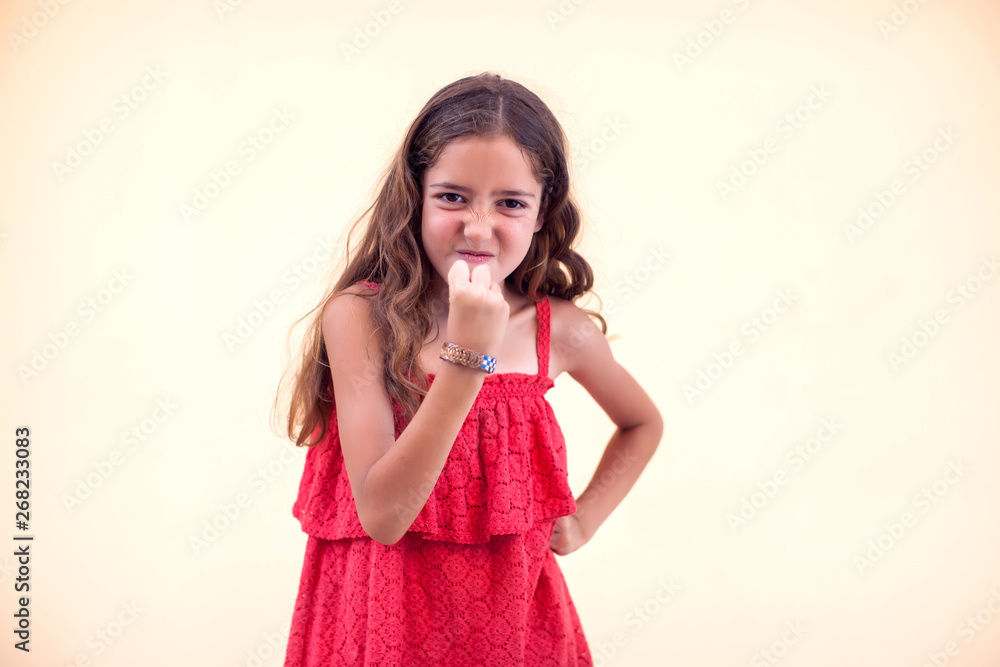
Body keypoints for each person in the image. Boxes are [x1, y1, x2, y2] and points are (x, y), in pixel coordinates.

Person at [274, 71, 663, 666]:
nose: (478, 227)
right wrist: (467, 360)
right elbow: (383, 516)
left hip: (512, 633)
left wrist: (584, 520)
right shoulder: (362, 319)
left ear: (542, 213)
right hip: (380, 629)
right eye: (452, 197)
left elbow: (642, 424)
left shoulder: (561, 331)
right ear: (416, 196)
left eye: (511, 203)